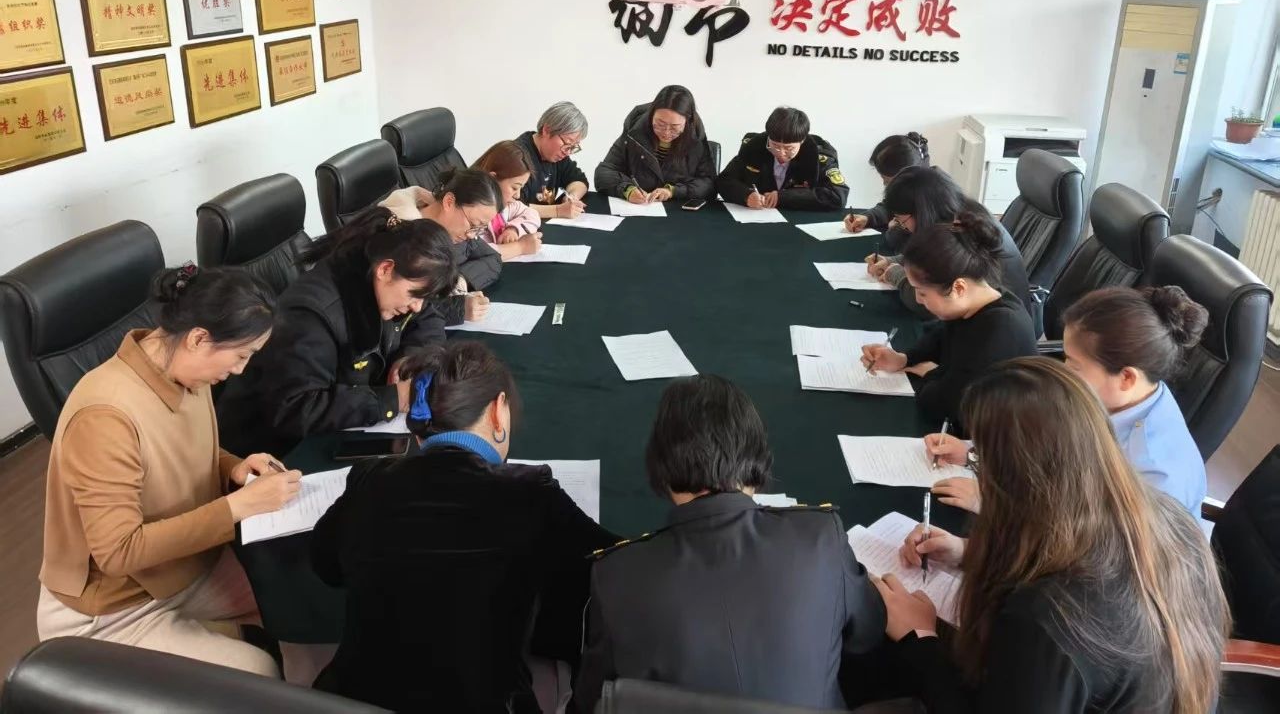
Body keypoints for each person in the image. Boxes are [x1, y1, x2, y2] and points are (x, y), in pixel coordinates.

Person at [878, 357, 1228, 714]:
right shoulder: (1168, 518)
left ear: (1017, 479)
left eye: (981, 462)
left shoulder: (1045, 618)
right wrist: (968, 553)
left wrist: (919, 637)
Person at [311, 341, 618, 713]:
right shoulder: (529, 491)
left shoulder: (370, 478)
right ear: (497, 410)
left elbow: (325, 564)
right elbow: (617, 566)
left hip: (349, 700)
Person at [38, 265, 301, 677]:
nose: (240, 370)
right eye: (242, 355)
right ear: (199, 338)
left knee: (296, 603)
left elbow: (182, 449)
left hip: (183, 566)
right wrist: (237, 507)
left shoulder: (183, 369)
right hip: (116, 606)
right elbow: (118, 551)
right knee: (258, 672)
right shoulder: (105, 416)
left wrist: (234, 468)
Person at [577, 375, 885, 712]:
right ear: (759, 453)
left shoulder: (616, 576)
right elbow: (868, 634)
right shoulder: (821, 537)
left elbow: (594, 700)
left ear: (659, 465)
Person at [926, 285, 1209, 517]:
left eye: (1074, 366)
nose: (1064, 372)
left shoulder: (1155, 475)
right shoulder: (1126, 396)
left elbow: (1089, 544)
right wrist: (975, 453)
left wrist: (994, 504)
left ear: (1126, 378)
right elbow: (1051, 452)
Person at [216, 207, 457, 457]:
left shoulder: (383, 279)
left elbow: (428, 319)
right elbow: (296, 408)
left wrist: (410, 358)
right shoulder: (310, 316)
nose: (417, 306)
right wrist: (394, 399)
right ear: (385, 269)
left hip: (333, 427)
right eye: (414, 296)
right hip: (273, 450)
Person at [861, 213, 1037, 431]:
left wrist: (928, 372)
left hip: (991, 435)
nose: (918, 300)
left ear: (958, 288)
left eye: (922, 293)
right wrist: (905, 358)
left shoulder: (999, 331)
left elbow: (941, 404)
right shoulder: (979, 301)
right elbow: (941, 336)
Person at [867, 166, 1031, 318]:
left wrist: (897, 275)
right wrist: (893, 261)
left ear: (922, 212)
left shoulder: (959, 229)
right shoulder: (957, 211)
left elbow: (932, 302)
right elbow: (929, 260)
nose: (903, 227)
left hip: (994, 321)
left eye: (902, 220)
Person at [381, 168, 507, 322]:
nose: (472, 235)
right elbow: (399, 303)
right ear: (449, 202)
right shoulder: (402, 237)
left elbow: (493, 258)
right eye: (474, 224)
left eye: (480, 228)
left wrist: (460, 280)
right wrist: (458, 307)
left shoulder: (458, 232)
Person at [594, 85, 717, 204]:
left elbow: (709, 184)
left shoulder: (696, 140)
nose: (666, 133)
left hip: (678, 211)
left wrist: (673, 191)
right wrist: (627, 189)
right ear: (651, 114)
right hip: (637, 208)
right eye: (660, 124)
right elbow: (603, 172)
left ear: (688, 121)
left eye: (674, 127)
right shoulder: (634, 133)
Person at [716, 106, 848, 211]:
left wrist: (784, 197)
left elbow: (838, 196)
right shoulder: (754, 147)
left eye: (789, 148)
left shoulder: (818, 156)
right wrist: (746, 195)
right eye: (775, 146)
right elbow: (724, 180)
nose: (781, 153)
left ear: (802, 141)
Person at [845, 132, 930, 253]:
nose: (885, 184)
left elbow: (918, 251)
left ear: (906, 176)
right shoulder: (915, 184)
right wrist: (868, 217)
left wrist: (896, 230)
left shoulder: (932, 199)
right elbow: (890, 206)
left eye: (887, 181)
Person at [515, 101, 590, 219]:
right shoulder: (517, 157)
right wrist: (557, 211)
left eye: (573, 147)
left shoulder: (557, 155)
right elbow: (512, 207)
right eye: (567, 143)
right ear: (547, 130)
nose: (568, 152)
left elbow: (579, 180)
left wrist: (571, 197)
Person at [472, 140, 544, 259]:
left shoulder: (505, 205)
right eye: (514, 187)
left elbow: (532, 213)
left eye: (521, 188)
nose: (518, 195)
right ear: (492, 179)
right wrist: (520, 247)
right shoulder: (470, 212)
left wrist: (513, 229)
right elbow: (473, 253)